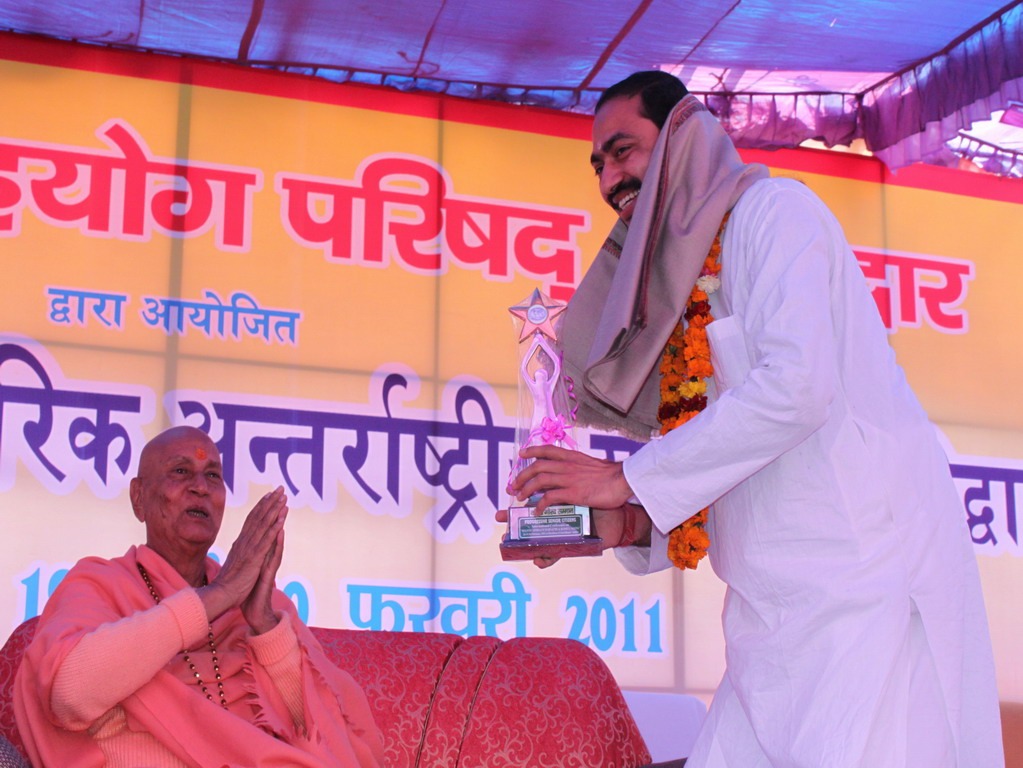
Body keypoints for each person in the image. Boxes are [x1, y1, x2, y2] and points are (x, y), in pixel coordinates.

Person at [508, 71, 1004, 767]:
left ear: (681, 138)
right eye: (598, 163)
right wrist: (619, 522)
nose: (608, 177)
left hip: (863, 595)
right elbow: (717, 448)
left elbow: (796, 388)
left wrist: (624, 481)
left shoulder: (774, 214)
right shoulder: (676, 286)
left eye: (623, 151)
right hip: (764, 623)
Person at [14, 426, 384, 768]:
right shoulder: (98, 584)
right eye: (180, 472)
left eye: (213, 476)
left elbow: (332, 745)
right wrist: (217, 596)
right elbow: (70, 695)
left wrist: (265, 629)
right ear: (138, 498)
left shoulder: (265, 605)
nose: (201, 488)